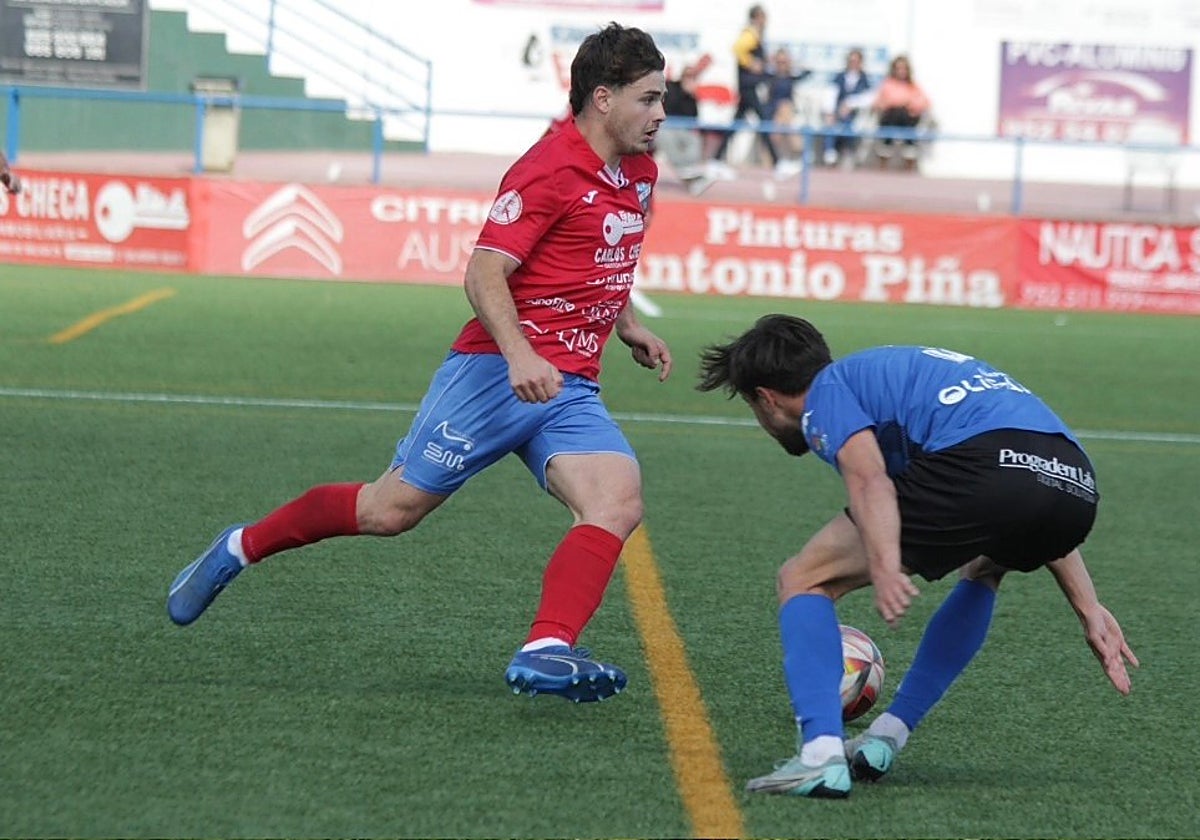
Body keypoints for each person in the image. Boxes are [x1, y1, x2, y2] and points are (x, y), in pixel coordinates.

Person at [167, 23, 674, 705]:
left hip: (569, 385)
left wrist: (630, 326)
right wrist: (520, 354)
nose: (661, 114)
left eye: (662, 97)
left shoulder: (640, 171)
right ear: (604, 99)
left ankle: (546, 647)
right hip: (496, 374)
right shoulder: (547, 168)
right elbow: (484, 273)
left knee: (617, 497)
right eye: (649, 99)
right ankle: (241, 546)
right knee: (389, 510)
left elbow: (598, 261)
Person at [696, 314, 1137, 798]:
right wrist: (1088, 608)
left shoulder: (828, 392)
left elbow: (870, 480)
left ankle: (819, 756)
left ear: (766, 397)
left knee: (804, 578)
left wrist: (885, 564)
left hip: (986, 466)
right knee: (986, 567)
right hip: (1073, 483)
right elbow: (1027, 491)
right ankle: (887, 736)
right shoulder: (885, 378)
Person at [710, 5, 789, 176]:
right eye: (762, 17)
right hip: (748, 86)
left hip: (749, 86)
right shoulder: (750, 34)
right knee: (763, 121)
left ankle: (715, 160)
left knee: (737, 124)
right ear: (755, 18)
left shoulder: (756, 35)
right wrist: (751, 63)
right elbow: (737, 49)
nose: (764, 21)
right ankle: (778, 163)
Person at [657, 55, 716, 196]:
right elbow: (668, 107)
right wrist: (683, 92)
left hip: (683, 129)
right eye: (688, 75)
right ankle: (690, 176)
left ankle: (692, 178)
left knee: (694, 142)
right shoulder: (671, 87)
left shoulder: (692, 96)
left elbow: (693, 117)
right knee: (666, 138)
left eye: (693, 76)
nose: (690, 79)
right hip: (666, 126)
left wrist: (690, 96)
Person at [871, 54, 930, 169]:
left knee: (905, 117)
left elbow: (925, 102)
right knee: (894, 114)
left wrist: (912, 106)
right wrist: (895, 103)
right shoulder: (887, 84)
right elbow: (878, 102)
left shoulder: (913, 86)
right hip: (890, 118)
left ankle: (908, 165)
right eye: (898, 68)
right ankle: (884, 164)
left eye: (904, 68)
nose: (901, 71)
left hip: (907, 119)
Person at [822, 47, 873, 166]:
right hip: (837, 113)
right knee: (832, 125)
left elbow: (868, 98)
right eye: (851, 61)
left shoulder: (864, 79)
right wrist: (830, 112)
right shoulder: (839, 77)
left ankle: (848, 152)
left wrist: (850, 104)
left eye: (856, 61)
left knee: (848, 124)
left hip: (854, 116)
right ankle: (830, 153)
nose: (853, 64)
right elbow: (831, 94)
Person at [764, 48, 811, 173]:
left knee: (785, 108)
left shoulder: (791, 77)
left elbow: (808, 72)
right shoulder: (770, 76)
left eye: (784, 62)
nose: (781, 65)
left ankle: (789, 156)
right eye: (779, 62)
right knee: (781, 113)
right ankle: (795, 153)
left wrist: (794, 63)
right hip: (773, 111)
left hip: (787, 112)